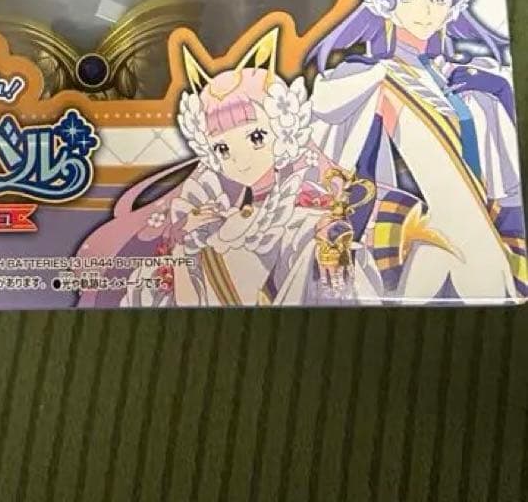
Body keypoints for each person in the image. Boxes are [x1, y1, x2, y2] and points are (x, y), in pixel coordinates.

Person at [308, 0, 526, 303]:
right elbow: (345, 167)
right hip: (401, 226)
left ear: (455, 1)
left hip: (476, 226)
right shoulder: (364, 78)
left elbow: (504, 186)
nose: (425, 10)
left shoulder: (473, 79)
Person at [77, 30, 381, 307]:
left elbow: (321, 263)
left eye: (256, 137)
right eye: (221, 148)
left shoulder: (298, 213)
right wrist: (188, 241)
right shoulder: (210, 214)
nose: (240, 158)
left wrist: (328, 241)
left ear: (283, 129)